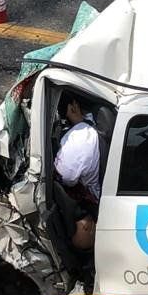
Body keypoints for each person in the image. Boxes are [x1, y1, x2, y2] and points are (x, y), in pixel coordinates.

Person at [53, 93, 100, 251]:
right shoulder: (91, 127)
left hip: (96, 201)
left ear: (73, 107)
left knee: (79, 239)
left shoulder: (80, 138)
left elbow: (66, 178)